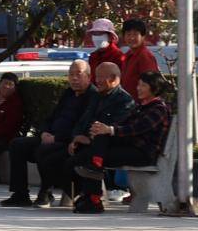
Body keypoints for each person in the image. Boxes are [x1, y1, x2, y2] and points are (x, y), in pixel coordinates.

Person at [0, 59, 95, 208]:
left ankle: (46, 192)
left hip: (68, 141)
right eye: (71, 74)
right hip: (50, 137)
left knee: (43, 151)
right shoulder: (69, 93)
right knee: (17, 144)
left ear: (89, 77)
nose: (74, 78)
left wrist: (57, 137)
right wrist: (44, 132)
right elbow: (52, 117)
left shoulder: (92, 96)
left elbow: (82, 126)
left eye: (79, 74)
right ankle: (20, 194)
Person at [70, 73, 170, 210]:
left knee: (93, 154)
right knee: (89, 151)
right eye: (138, 84)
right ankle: (91, 196)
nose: (138, 88)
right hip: (130, 147)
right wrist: (100, 130)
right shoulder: (141, 106)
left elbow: (136, 129)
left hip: (143, 153)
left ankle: (93, 198)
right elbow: (122, 123)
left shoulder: (158, 109)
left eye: (143, 85)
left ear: (154, 88)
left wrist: (110, 130)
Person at [56, 59, 134, 213]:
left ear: (113, 79)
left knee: (78, 162)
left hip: (110, 146)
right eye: (96, 77)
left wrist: (89, 138)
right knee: (57, 159)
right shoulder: (97, 97)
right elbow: (84, 120)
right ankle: (86, 196)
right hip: (91, 144)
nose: (96, 81)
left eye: (100, 78)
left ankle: (91, 198)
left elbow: (112, 127)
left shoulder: (124, 100)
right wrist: (76, 137)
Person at [115, 17, 161, 92]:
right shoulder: (128, 55)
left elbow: (151, 85)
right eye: (128, 34)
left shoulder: (145, 56)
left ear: (143, 36)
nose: (132, 38)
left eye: (135, 34)